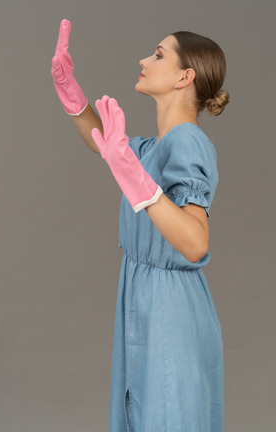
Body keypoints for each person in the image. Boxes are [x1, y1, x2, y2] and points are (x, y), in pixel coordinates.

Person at [51, 18, 229, 432]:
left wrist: (136, 180)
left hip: (172, 308)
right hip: (143, 297)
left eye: (159, 54)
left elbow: (195, 242)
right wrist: (69, 90)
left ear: (185, 76)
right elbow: (103, 142)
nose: (144, 59)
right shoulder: (158, 146)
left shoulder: (187, 142)